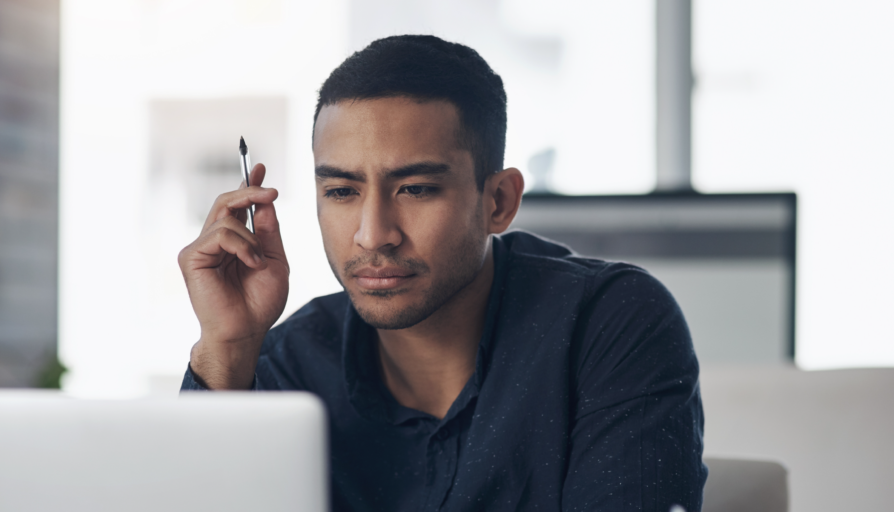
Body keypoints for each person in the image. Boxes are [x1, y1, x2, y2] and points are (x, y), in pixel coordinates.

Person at [179, 35, 707, 511]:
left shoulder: (610, 324)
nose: (372, 234)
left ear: (498, 202)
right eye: (341, 191)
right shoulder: (284, 364)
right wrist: (225, 349)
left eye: (416, 189)